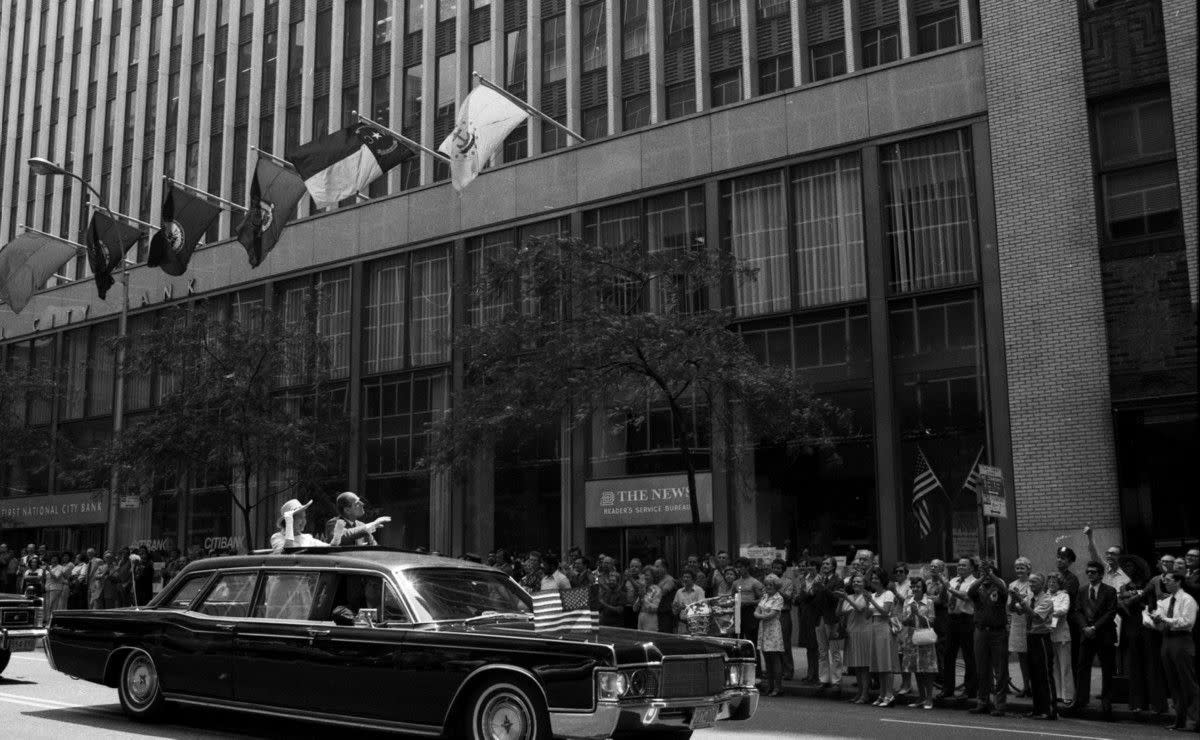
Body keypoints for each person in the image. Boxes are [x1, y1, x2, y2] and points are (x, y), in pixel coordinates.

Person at [1152, 571, 1198, 732]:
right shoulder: (1165, 601)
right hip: (1167, 640)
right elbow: (1160, 621)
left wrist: (1164, 619)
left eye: (1169, 580)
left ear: (1178, 582)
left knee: (1187, 681)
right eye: (1164, 581)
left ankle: (1194, 720)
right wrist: (1155, 619)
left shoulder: (1188, 600)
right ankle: (1180, 719)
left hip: (1182, 640)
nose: (1165, 583)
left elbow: (1187, 622)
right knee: (1173, 682)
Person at [1071, 560, 1117, 721]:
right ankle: (1081, 699)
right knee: (1082, 667)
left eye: (1094, 572)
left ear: (1101, 574)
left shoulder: (1110, 591)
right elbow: (1077, 611)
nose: (1090, 574)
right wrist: (1085, 627)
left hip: (1103, 634)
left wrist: (1094, 628)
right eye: (1088, 572)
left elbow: (1111, 613)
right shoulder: (1082, 591)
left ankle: (1106, 700)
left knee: (1107, 668)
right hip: (1086, 634)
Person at [1011, 572, 1057, 720]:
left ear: (1042, 584)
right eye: (1030, 582)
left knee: (1044, 674)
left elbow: (1035, 616)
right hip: (1030, 637)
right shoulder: (1029, 597)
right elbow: (1015, 609)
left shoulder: (1047, 600)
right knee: (1034, 675)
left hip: (1042, 638)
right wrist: (1014, 598)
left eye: (1034, 582)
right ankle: (1037, 709)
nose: (1031, 585)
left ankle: (1050, 710)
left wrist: (1020, 600)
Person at [967, 559, 1008, 717]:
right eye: (984, 572)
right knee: (982, 669)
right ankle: (983, 701)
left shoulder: (999, 587)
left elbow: (1004, 589)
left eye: (989, 572)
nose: (987, 576)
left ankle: (1000, 704)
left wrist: (991, 575)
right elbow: (970, 591)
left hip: (998, 633)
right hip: (981, 632)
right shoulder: (978, 589)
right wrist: (982, 577)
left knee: (1000, 670)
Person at [940, 557, 978, 701]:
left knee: (969, 655)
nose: (960, 567)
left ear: (971, 568)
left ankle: (970, 690)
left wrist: (948, 587)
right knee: (949, 654)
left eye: (964, 565)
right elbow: (944, 599)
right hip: (952, 619)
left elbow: (967, 597)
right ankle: (947, 688)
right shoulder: (952, 581)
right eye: (959, 565)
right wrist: (945, 587)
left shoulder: (974, 582)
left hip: (966, 619)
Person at [900, 577, 938, 709]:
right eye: (913, 587)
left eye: (918, 587)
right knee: (915, 667)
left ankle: (929, 698)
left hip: (925, 637)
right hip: (911, 637)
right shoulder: (907, 601)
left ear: (923, 589)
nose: (915, 589)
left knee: (927, 668)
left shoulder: (929, 602)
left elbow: (932, 621)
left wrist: (919, 615)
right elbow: (904, 621)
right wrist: (911, 615)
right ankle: (921, 697)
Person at [864, 567, 899, 707]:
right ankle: (882, 694)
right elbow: (867, 615)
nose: (874, 580)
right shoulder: (872, 595)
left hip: (884, 628)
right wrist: (868, 601)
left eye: (876, 578)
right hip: (874, 627)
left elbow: (885, 612)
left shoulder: (888, 593)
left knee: (887, 664)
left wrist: (871, 603)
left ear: (882, 579)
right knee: (879, 664)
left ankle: (889, 695)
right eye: (872, 578)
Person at [811, 557, 845, 691]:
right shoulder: (818, 579)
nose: (824, 565)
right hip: (819, 618)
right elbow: (813, 598)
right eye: (823, 563)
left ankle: (836, 680)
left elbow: (835, 599)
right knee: (822, 652)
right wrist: (814, 587)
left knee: (835, 651)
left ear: (833, 566)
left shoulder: (838, 580)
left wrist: (823, 588)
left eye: (827, 564)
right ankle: (824, 679)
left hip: (832, 619)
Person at [838, 573, 872, 704]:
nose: (856, 583)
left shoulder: (867, 596)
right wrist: (841, 600)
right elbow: (838, 613)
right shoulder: (849, 596)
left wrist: (845, 597)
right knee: (856, 666)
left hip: (863, 632)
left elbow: (859, 609)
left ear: (864, 584)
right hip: (851, 632)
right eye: (854, 582)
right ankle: (859, 693)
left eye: (859, 581)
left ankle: (865, 694)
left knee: (863, 666)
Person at [1045, 572, 1074, 709]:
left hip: (1061, 634)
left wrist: (1049, 611)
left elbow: (1063, 610)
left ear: (1060, 584)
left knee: (1065, 665)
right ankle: (1056, 693)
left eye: (1054, 582)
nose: (1051, 584)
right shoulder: (1045, 595)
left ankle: (1067, 695)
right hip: (1049, 634)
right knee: (1054, 665)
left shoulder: (1064, 595)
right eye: (1050, 582)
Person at [1007, 557, 1034, 697]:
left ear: (1028, 569)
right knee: (1021, 656)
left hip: (1030, 622)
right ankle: (1026, 686)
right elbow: (1010, 607)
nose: (1019, 570)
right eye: (1017, 567)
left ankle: (1035, 686)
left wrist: (1018, 598)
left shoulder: (1033, 583)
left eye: (1022, 567)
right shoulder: (1012, 585)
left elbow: (1029, 605)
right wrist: (1013, 600)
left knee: (1032, 655)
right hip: (1017, 623)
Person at [1055, 546, 1082, 680]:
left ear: (1070, 562)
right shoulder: (1053, 576)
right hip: (1055, 623)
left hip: (1069, 621)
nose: (1059, 560)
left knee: (1071, 657)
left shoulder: (1072, 579)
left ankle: (1075, 690)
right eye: (1058, 557)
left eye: (1063, 558)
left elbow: (1064, 599)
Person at [325, 491, 391, 546]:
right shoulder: (333, 523)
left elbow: (375, 548)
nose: (362, 504)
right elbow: (342, 536)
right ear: (347, 510)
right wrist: (372, 524)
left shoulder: (361, 525)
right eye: (357, 503)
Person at [756, 574, 786, 697]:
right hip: (763, 628)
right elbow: (756, 611)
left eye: (771, 585)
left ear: (776, 586)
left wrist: (761, 616)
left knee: (775, 658)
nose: (768, 587)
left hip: (773, 629)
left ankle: (778, 688)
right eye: (767, 584)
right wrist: (761, 616)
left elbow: (772, 614)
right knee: (766, 659)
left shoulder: (778, 598)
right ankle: (770, 686)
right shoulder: (764, 596)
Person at [770, 559, 796, 679]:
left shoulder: (788, 581)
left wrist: (776, 588)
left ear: (783, 570)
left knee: (785, 643)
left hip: (783, 614)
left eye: (779, 568)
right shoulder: (768, 580)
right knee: (774, 644)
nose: (776, 570)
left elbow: (788, 597)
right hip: (771, 614)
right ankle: (777, 670)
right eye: (774, 567)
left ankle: (788, 670)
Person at [732, 559, 764, 643]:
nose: (738, 569)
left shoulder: (755, 582)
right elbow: (732, 597)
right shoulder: (735, 583)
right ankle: (738, 656)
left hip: (750, 612)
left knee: (752, 638)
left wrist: (747, 602)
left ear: (747, 567)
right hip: (738, 612)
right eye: (737, 567)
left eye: (741, 567)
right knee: (737, 638)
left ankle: (755, 656)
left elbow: (762, 600)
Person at [672, 570, 705, 635]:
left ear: (693, 579)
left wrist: (686, 607)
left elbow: (702, 608)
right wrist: (678, 608)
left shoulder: (699, 590)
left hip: (696, 624)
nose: (685, 579)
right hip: (682, 624)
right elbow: (674, 610)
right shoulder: (679, 592)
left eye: (688, 577)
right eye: (684, 577)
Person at [44, 552, 72, 616]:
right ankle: (47, 620)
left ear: (58, 560)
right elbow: (45, 577)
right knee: (47, 605)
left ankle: (52, 620)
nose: (53, 560)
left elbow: (56, 577)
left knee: (53, 605)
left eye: (55, 559)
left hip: (55, 588)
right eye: (52, 558)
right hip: (47, 587)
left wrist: (49, 570)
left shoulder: (60, 567)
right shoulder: (50, 566)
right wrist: (44, 571)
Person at [635, 566, 662, 632]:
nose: (645, 577)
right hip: (641, 617)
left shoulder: (657, 590)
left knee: (649, 640)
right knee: (640, 641)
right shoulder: (643, 588)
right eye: (644, 575)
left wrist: (643, 599)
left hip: (651, 619)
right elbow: (635, 609)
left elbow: (654, 608)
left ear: (653, 577)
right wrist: (640, 598)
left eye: (647, 575)